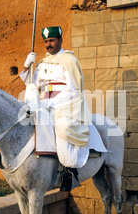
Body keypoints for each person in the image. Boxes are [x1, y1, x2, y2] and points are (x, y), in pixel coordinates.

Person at [20, 26, 90, 191]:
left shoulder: (69, 61)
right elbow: (32, 85)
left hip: (65, 106)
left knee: (63, 128)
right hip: (42, 104)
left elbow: (73, 90)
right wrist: (26, 67)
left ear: (60, 40)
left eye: (51, 40)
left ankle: (69, 171)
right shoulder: (41, 63)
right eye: (46, 41)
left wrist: (50, 103)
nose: (48, 44)